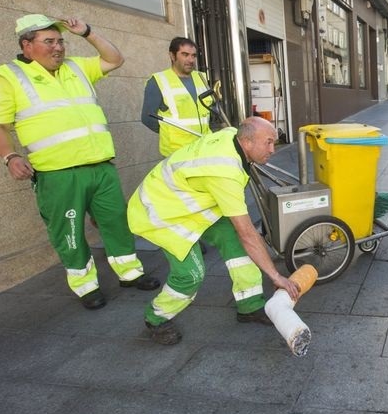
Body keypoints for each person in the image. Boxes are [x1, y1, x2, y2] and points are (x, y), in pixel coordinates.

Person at [0, 14, 160, 310]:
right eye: (49, 42)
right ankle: (85, 285)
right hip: (58, 174)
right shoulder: (7, 78)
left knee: (117, 223)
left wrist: (87, 33)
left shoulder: (76, 67)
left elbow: (114, 59)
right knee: (69, 231)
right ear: (27, 45)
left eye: (61, 41)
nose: (58, 48)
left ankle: (130, 273)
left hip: (101, 167)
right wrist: (10, 156)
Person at [128, 117, 301, 345]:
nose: (273, 149)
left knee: (236, 243)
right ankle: (156, 318)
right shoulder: (225, 172)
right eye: (268, 142)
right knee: (190, 275)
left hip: (189, 204)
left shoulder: (232, 135)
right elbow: (247, 232)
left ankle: (249, 304)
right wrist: (275, 275)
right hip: (162, 213)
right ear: (247, 142)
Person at [140, 37, 213, 157]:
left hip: (204, 148)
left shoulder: (201, 77)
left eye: (193, 56)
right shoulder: (158, 81)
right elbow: (147, 118)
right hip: (177, 152)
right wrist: (170, 133)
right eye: (185, 54)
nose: (190, 60)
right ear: (172, 56)